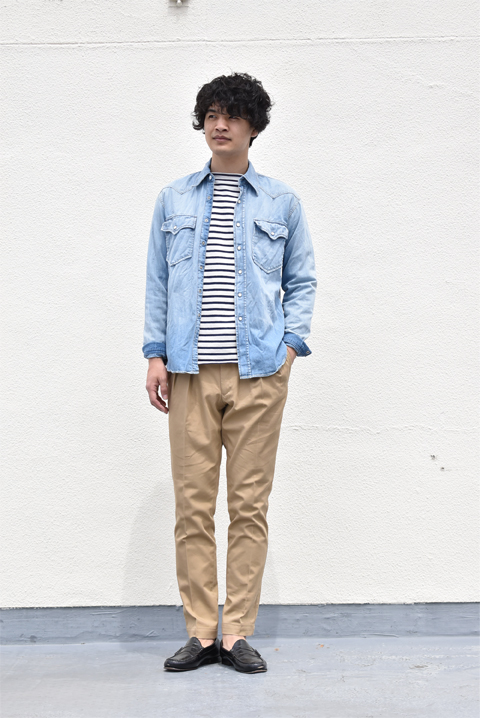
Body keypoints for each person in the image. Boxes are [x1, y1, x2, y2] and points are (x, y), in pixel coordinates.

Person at [143, 72, 316, 673]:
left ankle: (237, 632)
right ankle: (200, 632)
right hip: (189, 373)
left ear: (253, 127)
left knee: (248, 508)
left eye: (232, 115)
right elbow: (158, 283)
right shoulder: (173, 200)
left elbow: (302, 281)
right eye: (212, 115)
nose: (220, 125)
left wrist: (289, 349)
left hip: (258, 374)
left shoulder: (281, 202)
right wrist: (155, 353)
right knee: (192, 509)